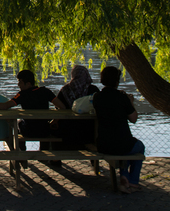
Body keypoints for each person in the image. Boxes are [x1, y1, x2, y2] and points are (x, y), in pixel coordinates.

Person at [0, 69, 65, 146]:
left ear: (28, 84)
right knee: (42, 125)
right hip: (44, 131)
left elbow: (5, 106)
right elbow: (62, 107)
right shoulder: (46, 91)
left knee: (19, 123)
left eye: (20, 82)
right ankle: (44, 153)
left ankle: (21, 150)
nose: (18, 85)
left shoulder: (22, 95)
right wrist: (55, 120)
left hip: (28, 131)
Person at [92, 66, 145, 194]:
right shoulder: (122, 97)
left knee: (125, 149)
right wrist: (130, 102)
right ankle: (132, 182)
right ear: (117, 81)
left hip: (104, 144)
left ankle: (124, 178)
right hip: (123, 144)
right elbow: (133, 119)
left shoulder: (97, 97)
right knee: (139, 147)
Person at [52, 65, 100, 151]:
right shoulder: (93, 90)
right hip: (89, 131)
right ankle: (93, 160)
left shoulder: (65, 90)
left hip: (68, 131)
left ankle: (55, 160)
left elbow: (57, 107)